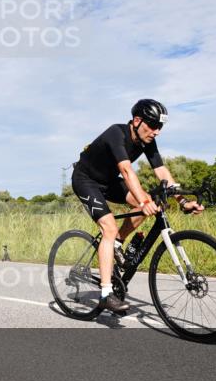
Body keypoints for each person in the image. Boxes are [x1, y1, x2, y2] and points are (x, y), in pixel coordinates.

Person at [71, 98, 204, 314]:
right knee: (110, 227)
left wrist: (183, 201)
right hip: (86, 180)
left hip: (109, 181)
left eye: (160, 127)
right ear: (137, 120)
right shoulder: (117, 133)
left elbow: (161, 172)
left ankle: (117, 244)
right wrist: (142, 199)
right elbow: (126, 171)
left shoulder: (148, 142)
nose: (157, 131)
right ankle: (105, 294)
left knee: (150, 204)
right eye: (152, 125)